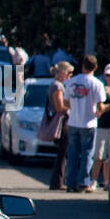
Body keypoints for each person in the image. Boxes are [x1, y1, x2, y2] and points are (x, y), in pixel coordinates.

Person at [63, 55, 104, 193]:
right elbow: (100, 105)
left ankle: (70, 182)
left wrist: (74, 107)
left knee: (73, 153)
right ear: (95, 68)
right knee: (87, 153)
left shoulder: (71, 82)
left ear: (82, 66)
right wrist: (99, 111)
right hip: (89, 122)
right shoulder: (96, 84)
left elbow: (66, 102)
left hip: (73, 121)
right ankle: (83, 182)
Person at [47, 60, 72, 190]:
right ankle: (57, 182)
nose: (70, 77)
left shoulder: (57, 85)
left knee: (62, 153)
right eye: (69, 73)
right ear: (62, 73)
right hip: (62, 123)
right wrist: (72, 107)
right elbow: (59, 107)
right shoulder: (57, 86)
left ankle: (57, 181)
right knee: (62, 153)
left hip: (63, 122)